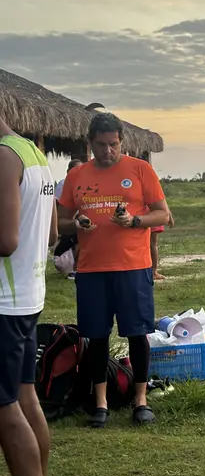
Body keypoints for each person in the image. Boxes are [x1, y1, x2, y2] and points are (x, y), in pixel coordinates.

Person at [57, 113, 170, 428]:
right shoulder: (77, 175)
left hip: (133, 267)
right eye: (101, 145)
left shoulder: (140, 170)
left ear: (121, 142)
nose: (108, 151)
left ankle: (141, 400)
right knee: (96, 336)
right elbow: (61, 221)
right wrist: (76, 223)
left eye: (113, 145)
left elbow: (162, 214)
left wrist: (134, 221)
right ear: (90, 143)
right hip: (92, 269)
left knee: (137, 333)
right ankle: (101, 404)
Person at [0, 116, 57, 476]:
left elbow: (6, 240)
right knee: (25, 396)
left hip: (3, 300)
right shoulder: (34, 153)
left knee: (4, 409)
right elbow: (52, 235)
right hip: (28, 295)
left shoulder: (4, 157)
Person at [150, 209, 174, 281]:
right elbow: (161, 202)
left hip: (149, 217)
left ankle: (152, 271)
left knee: (151, 244)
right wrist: (169, 215)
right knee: (152, 244)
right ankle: (153, 271)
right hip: (153, 217)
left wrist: (169, 215)